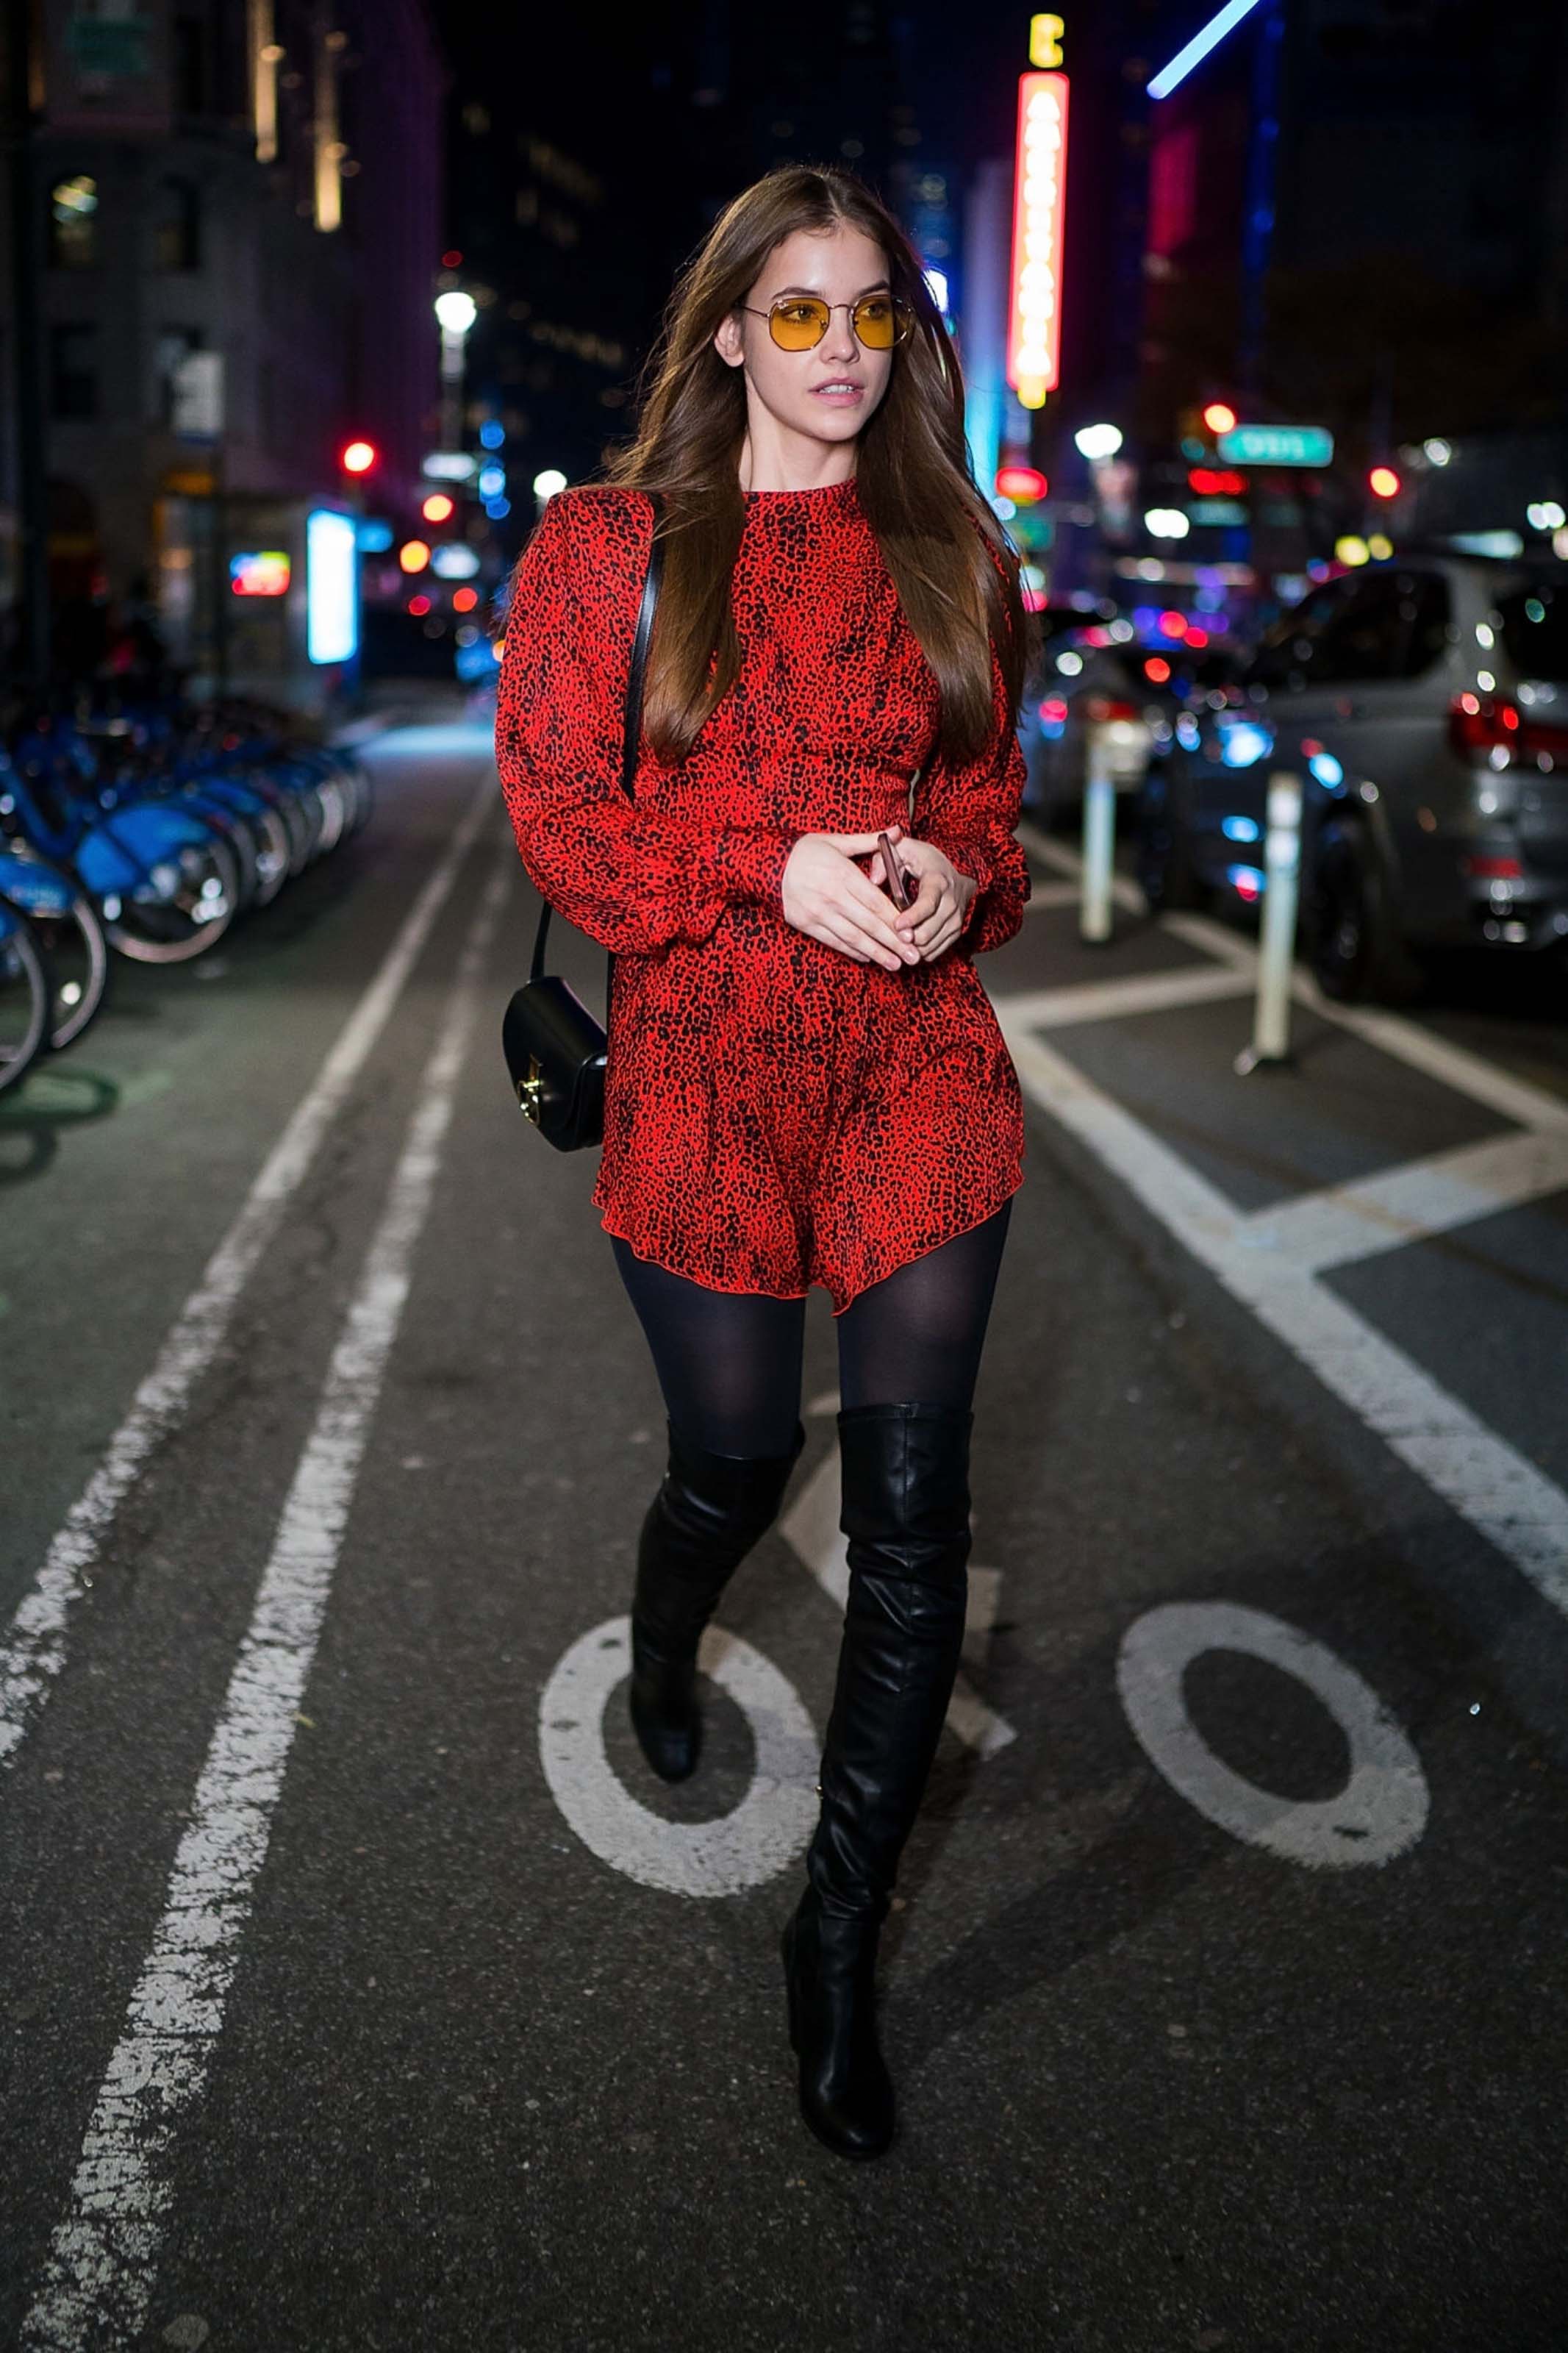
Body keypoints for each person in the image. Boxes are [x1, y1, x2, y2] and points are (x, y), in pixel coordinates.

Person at [495, 164, 1034, 2161]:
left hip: (918, 1079)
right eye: (793, 311)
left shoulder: (954, 549)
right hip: (705, 1076)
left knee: (912, 1528)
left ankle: (836, 1945)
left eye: (870, 311)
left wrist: (941, 875)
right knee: (735, 1459)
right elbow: (562, 825)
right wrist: (770, 863)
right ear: (728, 330)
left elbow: (999, 830)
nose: (835, 349)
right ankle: (664, 1631)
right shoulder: (609, 548)